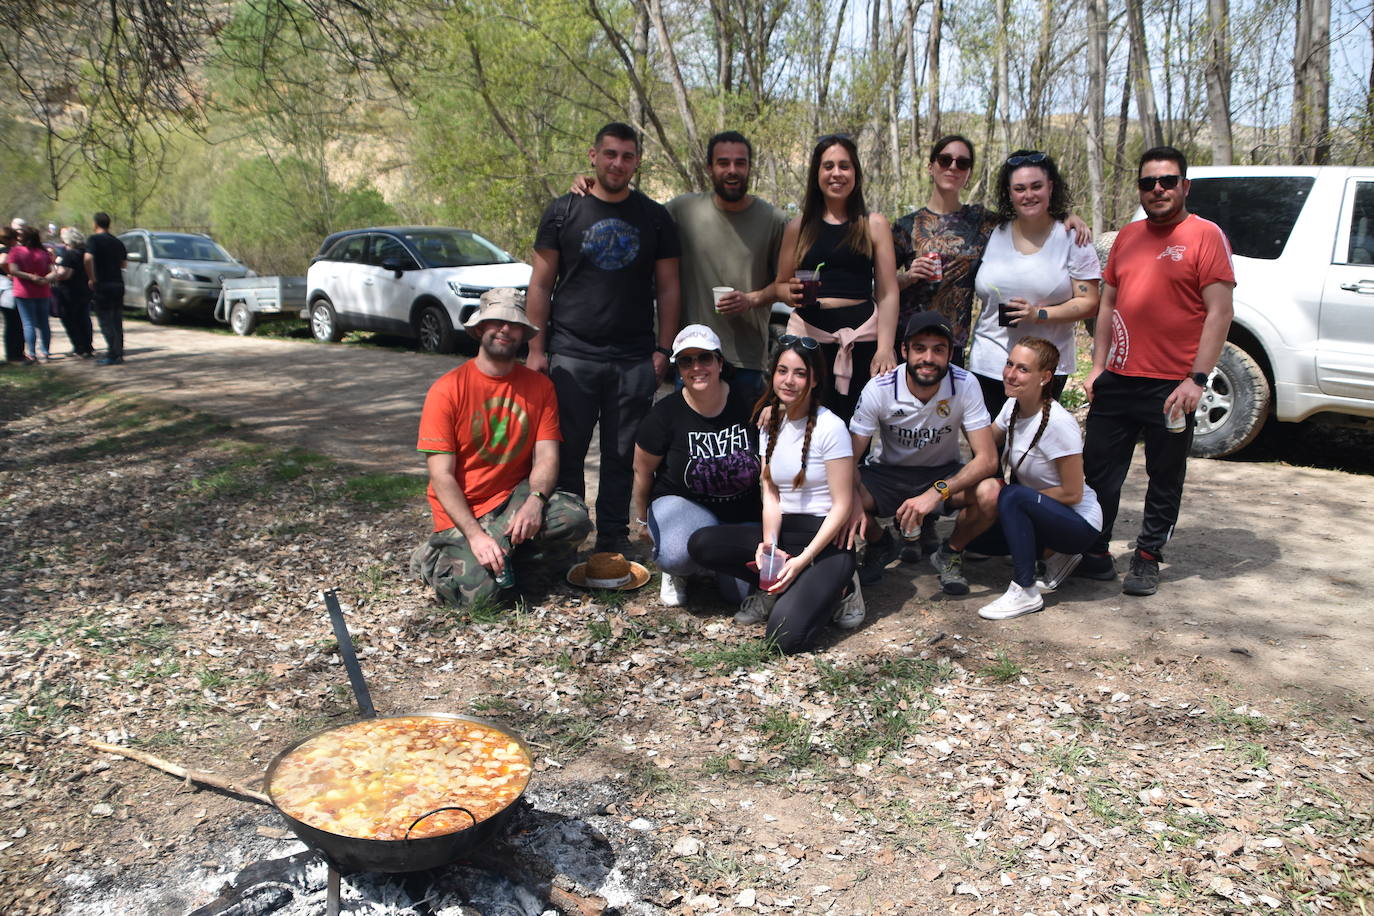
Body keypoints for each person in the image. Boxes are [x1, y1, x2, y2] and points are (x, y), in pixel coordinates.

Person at [1080, 146, 1234, 597]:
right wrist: (1097, 366)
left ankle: (1147, 557)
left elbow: (1220, 312)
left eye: (1167, 181)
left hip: (1172, 385)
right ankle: (1094, 550)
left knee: (1164, 476)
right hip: (1119, 379)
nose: (1158, 189)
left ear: (1185, 185)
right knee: (1098, 471)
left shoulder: (1205, 236)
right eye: (1148, 183)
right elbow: (1107, 303)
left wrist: (1197, 379)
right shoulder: (1127, 237)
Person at [525, 122, 682, 553]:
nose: (618, 163)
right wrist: (536, 348)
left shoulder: (654, 217)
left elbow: (670, 288)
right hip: (572, 354)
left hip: (634, 357)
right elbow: (540, 284)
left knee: (622, 454)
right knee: (567, 449)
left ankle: (612, 537)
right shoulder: (563, 211)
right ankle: (565, 537)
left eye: (627, 156)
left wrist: (663, 350)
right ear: (593, 156)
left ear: (636, 162)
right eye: (610, 154)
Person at [410, 288, 592, 607]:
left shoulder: (540, 387)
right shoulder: (447, 390)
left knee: (573, 519)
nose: (505, 329)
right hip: (464, 512)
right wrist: (477, 536)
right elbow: (441, 478)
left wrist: (535, 501)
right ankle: (432, 558)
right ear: (480, 328)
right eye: (496, 321)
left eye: (514, 323)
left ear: (524, 333)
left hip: (513, 499)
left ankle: (503, 558)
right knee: (484, 599)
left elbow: (547, 457)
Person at [688, 335, 861, 651]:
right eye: (783, 371)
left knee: (782, 639)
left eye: (799, 373)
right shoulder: (769, 422)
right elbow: (771, 494)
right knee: (702, 544)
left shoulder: (831, 427)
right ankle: (777, 587)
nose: (789, 381)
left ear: (814, 379)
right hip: (786, 534)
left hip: (825, 544)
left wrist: (803, 560)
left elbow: (842, 505)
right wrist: (770, 548)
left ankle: (842, 591)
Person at [893, 136, 1089, 364]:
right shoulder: (905, 226)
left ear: (968, 175)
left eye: (962, 163)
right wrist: (907, 277)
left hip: (952, 345)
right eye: (945, 160)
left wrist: (1066, 216)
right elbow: (877, 288)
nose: (953, 167)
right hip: (909, 341)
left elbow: (1028, 212)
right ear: (931, 166)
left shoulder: (982, 221)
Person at [848, 311, 999, 590]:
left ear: (950, 353)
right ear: (904, 350)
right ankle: (880, 543)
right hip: (886, 475)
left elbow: (988, 459)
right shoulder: (879, 388)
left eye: (938, 349)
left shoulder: (965, 383)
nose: (928, 358)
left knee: (991, 492)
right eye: (919, 348)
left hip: (941, 474)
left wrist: (935, 493)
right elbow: (848, 460)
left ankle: (950, 552)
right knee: (839, 494)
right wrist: (850, 503)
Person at [955, 338, 1103, 620]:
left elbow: (1073, 494)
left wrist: (1015, 500)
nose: (1010, 373)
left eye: (1022, 369)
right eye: (1009, 364)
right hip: (1042, 513)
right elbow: (984, 445)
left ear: (1045, 377)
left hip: (1079, 523)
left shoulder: (1058, 424)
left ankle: (1025, 590)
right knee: (977, 541)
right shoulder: (1012, 406)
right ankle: (1053, 556)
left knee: (1010, 495)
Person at [631, 324, 762, 607]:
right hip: (685, 508)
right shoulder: (665, 414)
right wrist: (643, 520)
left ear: (719, 362)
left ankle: (713, 564)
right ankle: (678, 571)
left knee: (741, 595)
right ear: (678, 369)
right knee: (676, 554)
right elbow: (642, 470)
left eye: (704, 358)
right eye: (686, 361)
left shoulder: (750, 403)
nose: (696, 367)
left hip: (742, 515)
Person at [775, 134, 899, 422]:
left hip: (862, 342)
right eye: (828, 166)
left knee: (858, 427)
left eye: (844, 166)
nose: (836, 173)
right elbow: (780, 284)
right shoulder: (798, 227)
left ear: (856, 172)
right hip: (809, 341)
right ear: (816, 173)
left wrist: (885, 347)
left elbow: (888, 292)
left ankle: (854, 470)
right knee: (807, 423)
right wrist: (789, 291)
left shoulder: (874, 225)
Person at [969, 150, 1101, 415]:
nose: (1028, 195)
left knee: (1033, 451)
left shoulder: (1071, 238)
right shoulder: (992, 231)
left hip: (1043, 368)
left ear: (1050, 187)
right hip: (987, 363)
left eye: (1036, 186)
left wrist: (1038, 314)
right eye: (1019, 188)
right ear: (1009, 193)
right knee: (988, 452)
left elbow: (1090, 302)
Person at [666, 132, 788, 396]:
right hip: (692, 356)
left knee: (744, 437)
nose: (732, 170)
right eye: (723, 163)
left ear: (748, 167)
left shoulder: (774, 220)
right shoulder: (682, 211)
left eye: (740, 163)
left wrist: (751, 299)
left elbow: (785, 286)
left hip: (746, 359)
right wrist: (591, 186)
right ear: (710, 168)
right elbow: (634, 214)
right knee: (688, 436)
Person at [84, 212, 128, 366]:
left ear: (95, 224)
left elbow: (88, 258)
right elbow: (124, 264)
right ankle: (118, 353)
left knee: (105, 320)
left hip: (103, 284)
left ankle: (112, 353)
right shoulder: (117, 242)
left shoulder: (93, 240)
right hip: (118, 283)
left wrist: (91, 277)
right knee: (117, 320)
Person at [6, 225, 55, 362]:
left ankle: (32, 353)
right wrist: (45, 279)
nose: (18, 237)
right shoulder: (43, 252)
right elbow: (54, 272)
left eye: (21, 235)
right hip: (43, 291)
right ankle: (45, 352)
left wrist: (30, 277)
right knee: (44, 323)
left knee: (28, 324)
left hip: (24, 292)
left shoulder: (16, 251)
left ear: (26, 237)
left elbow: (13, 270)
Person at [52, 228, 95, 358]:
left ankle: (79, 346)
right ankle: (87, 346)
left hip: (69, 292)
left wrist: (55, 270)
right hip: (85, 289)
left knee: (70, 320)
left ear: (69, 242)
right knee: (84, 318)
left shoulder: (70, 255)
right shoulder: (86, 253)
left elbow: (64, 274)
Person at [0, 227, 25, 363]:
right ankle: (15, 354)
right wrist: (11, 272)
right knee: (15, 323)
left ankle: (13, 354)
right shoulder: (7, 251)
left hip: (3, 292)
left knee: (11, 323)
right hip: (9, 291)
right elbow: (3, 261)